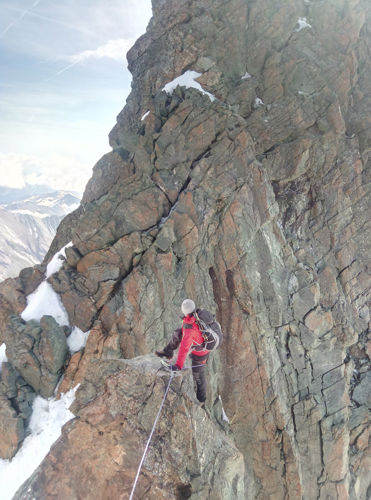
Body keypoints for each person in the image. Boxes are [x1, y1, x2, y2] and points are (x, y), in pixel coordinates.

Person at [156, 299, 209, 403]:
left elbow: (184, 348)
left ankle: (201, 398)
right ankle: (168, 351)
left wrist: (178, 366)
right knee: (178, 333)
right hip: (205, 343)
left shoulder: (189, 328)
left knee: (198, 375)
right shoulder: (201, 314)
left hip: (200, 353)